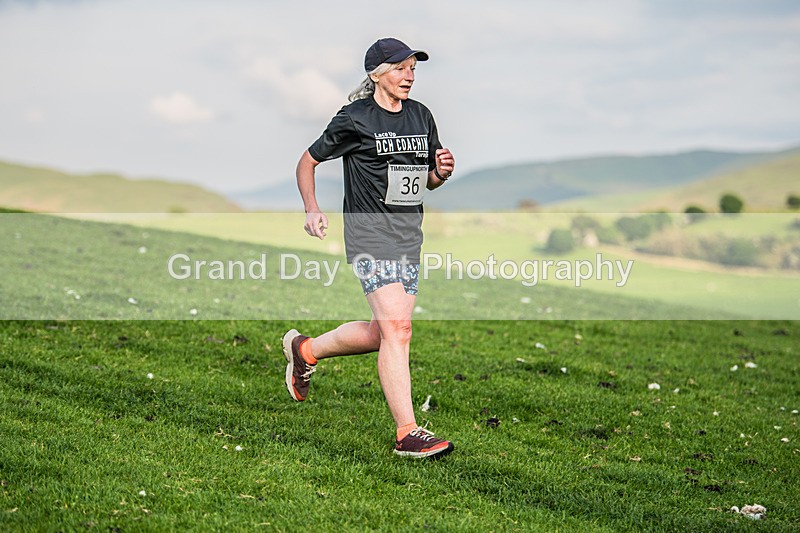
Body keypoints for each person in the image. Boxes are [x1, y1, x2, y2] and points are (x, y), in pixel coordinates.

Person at [282, 37, 456, 459]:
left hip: (408, 236)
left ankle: (306, 350)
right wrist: (312, 208)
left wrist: (440, 172)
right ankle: (407, 432)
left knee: (383, 333)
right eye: (400, 68)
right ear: (377, 74)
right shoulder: (355, 118)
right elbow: (307, 161)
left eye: (413, 69)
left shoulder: (421, 115)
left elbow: (426, 181)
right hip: (369, 235)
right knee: (399, 331)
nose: (409, 76)